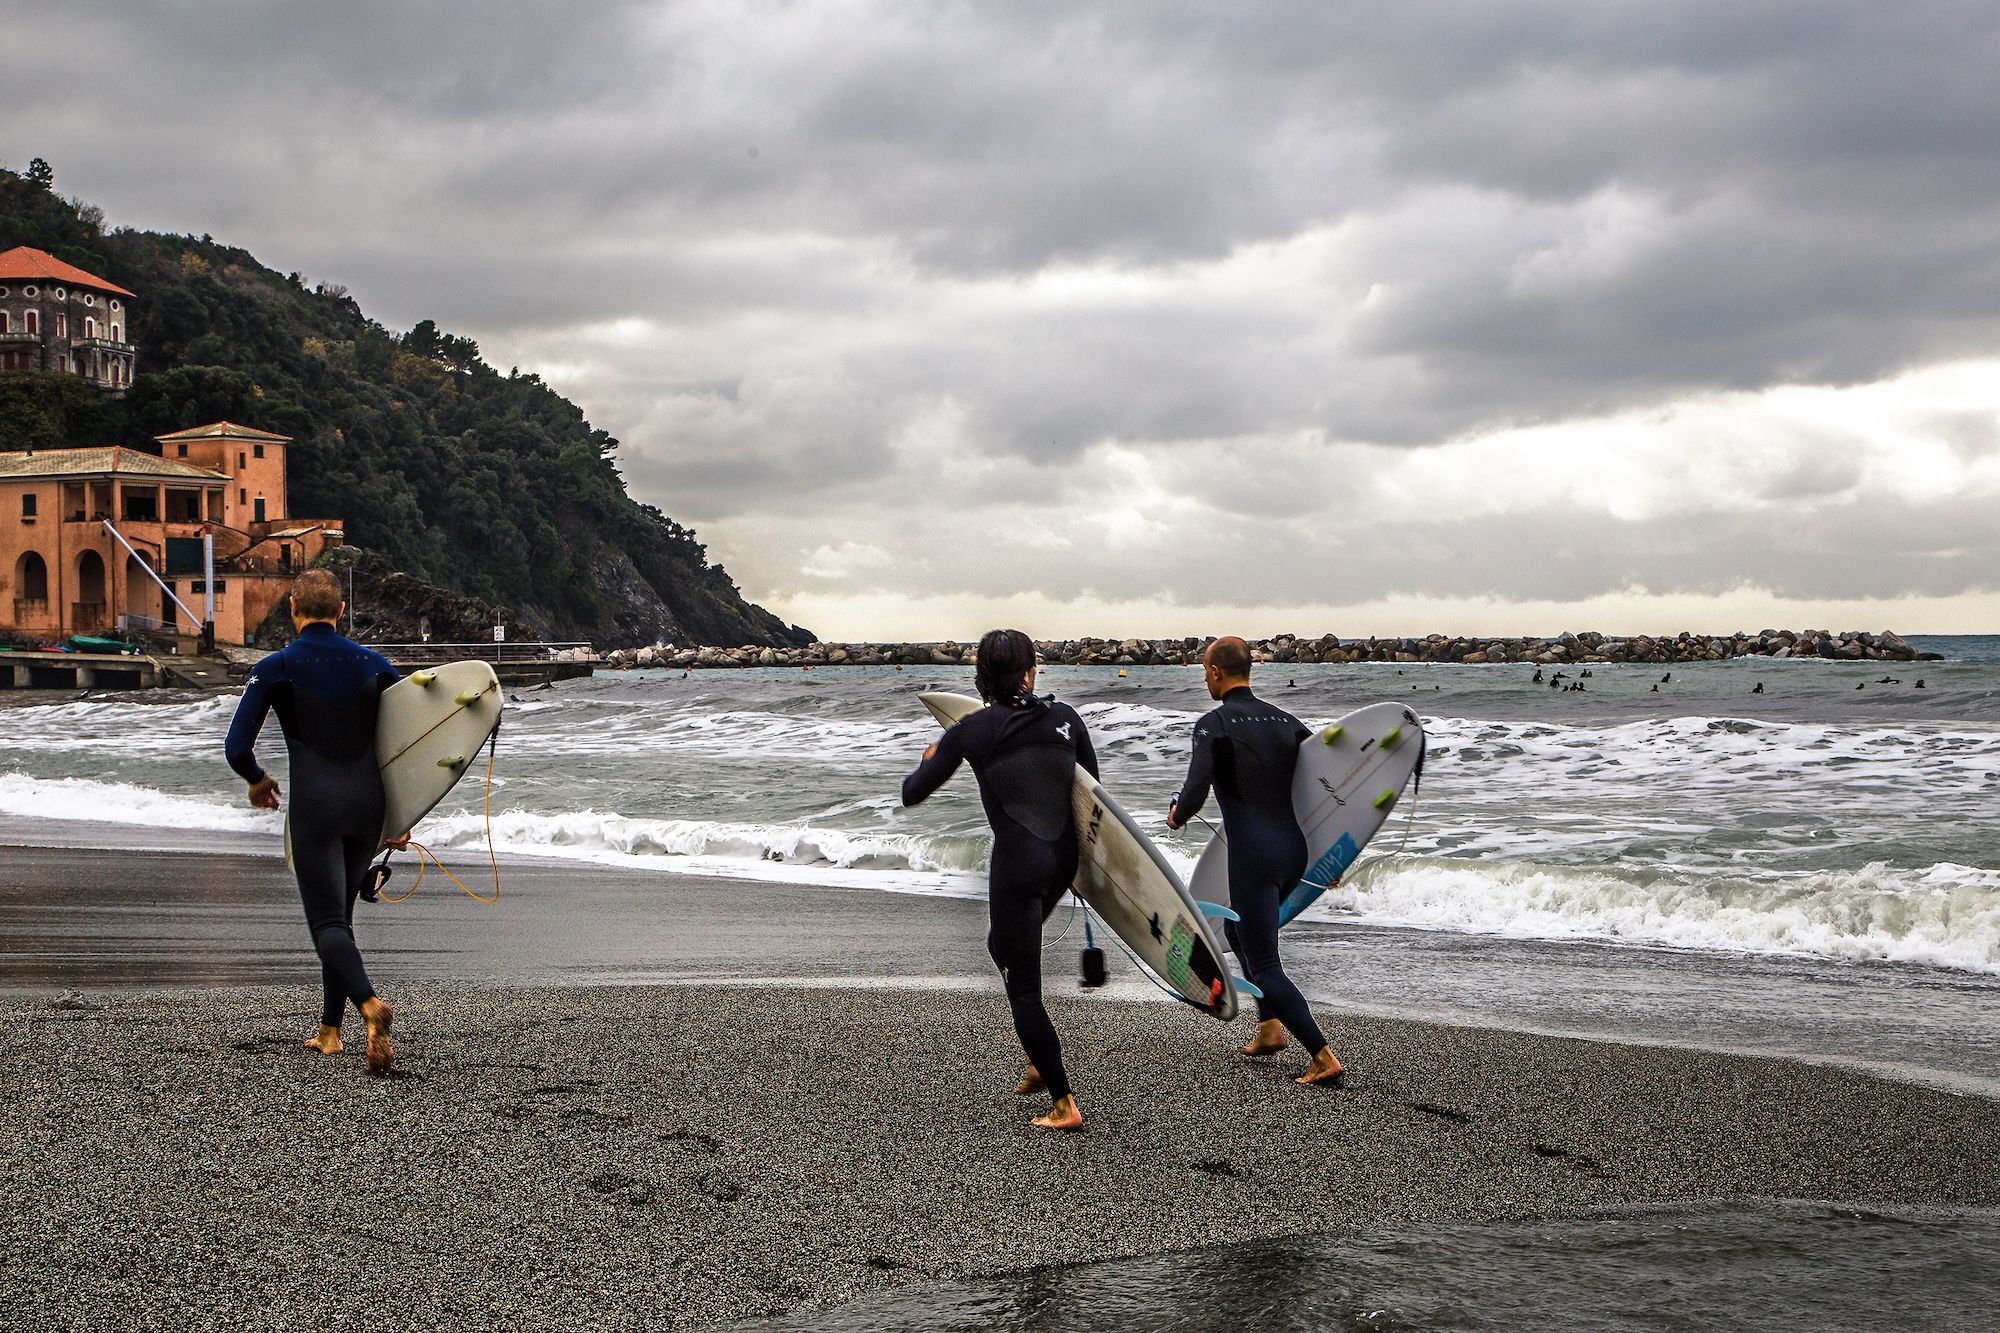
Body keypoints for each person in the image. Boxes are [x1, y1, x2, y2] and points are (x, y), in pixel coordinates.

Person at [903, 629, 1096, 1131]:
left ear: (981, 676)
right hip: (1062, 862)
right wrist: (1089, 872)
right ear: (1030, 671)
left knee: (1024, 987)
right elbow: (1094, 800)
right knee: (1000, 946)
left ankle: (1063, 1103)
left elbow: (912, 793)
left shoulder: (971, 730)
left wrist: (927, 761)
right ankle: (1038, 1056)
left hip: (1019, 868)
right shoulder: (1066, 718)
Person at [225, 570, 403, 1074]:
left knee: (326, 924)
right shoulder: (376, 664)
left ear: (293, 608)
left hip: (317, 808)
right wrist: (404, 813)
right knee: (341, 919)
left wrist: (257, 780)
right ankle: (330, 1030)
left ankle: (370, 1004)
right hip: (368, 807)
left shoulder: (276, 667)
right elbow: (410, 743)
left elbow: (237, 747)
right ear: (341, 611)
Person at [1167, 636, 1343, 1085]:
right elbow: (1323, 787)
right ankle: (1269, 1028)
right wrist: (1335, 854)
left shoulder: (1213, 725)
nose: (1205, 679)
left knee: (1266, 963)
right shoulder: (1288, 721)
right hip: (1294, 852)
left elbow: (1194, 793)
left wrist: (1176, 816)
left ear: (1215, 672)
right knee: (1237, 931)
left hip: (1254, 857)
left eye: (1205, 671)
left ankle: (1322, 1055)